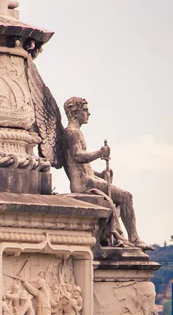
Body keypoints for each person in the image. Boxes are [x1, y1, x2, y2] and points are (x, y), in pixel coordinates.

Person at [62, 97, 151, 250]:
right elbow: (78, 156)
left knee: (121, 196)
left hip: (87, 179)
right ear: (74, 112)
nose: (88, 113)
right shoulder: (72, 133)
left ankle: (121, 236)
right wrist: (100, 153)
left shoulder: (74, 132)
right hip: (84, 183)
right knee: (126, 196)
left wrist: (101, 174)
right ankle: (134, 238)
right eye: (85, 110)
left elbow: (78, 166)